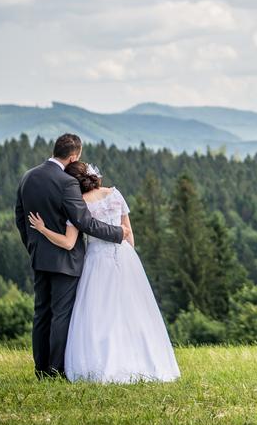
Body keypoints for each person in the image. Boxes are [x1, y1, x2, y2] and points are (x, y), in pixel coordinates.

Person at [26, 159, 180, 383]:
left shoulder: (78, 204)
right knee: (134, 312)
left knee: (99, 314)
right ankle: (146, 361)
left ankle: (104, 363)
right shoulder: (115, 194)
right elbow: (128, 234)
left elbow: (69, 243)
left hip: (97, 261)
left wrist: (43, 230)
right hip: (126, 258)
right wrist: (128, 259)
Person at [15, 133, 131, 379]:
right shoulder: (66, 182)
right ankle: (56, 370)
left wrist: (33, 247)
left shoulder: (28, 176)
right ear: (73, 156)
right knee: (61, 315)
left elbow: (20, 217)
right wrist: (117, 232)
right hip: (66, 261)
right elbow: (84, 221)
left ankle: (41, 370)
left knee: (41, 313)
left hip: (39, 257)